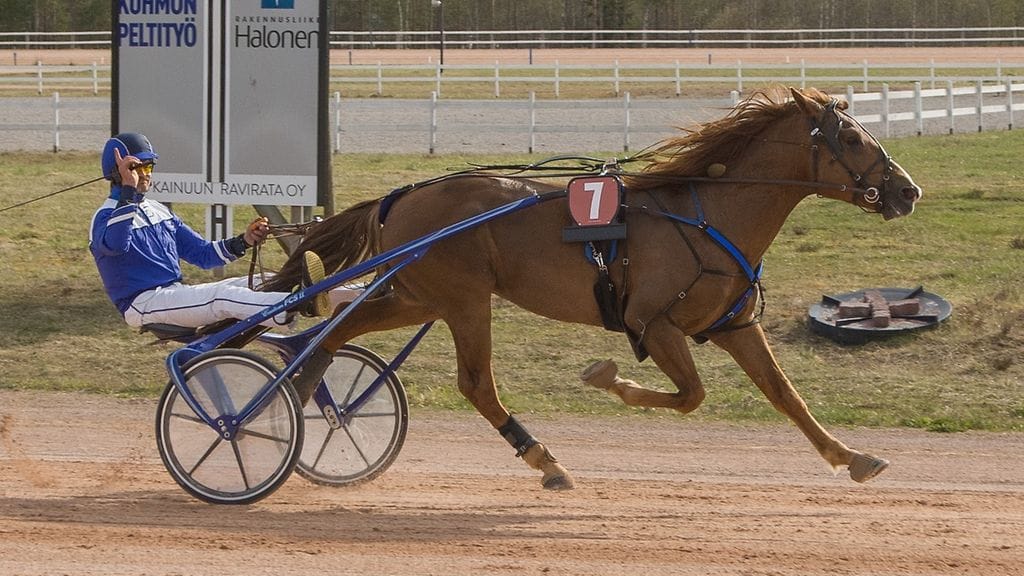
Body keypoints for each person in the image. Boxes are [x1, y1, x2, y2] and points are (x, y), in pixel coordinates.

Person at [89, 132, 346, 330]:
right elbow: (116, 244)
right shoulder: (106, 216)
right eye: (138, 168)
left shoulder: (157, 210)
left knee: (265, 280)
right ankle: (296, 305)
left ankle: (358, 294)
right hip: (142, 303)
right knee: (222, 298)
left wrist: (244, 240)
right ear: (118, 173)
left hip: (173, 293)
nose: (145, 175)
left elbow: (202, 254)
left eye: (149, 168)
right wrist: (128, 193)